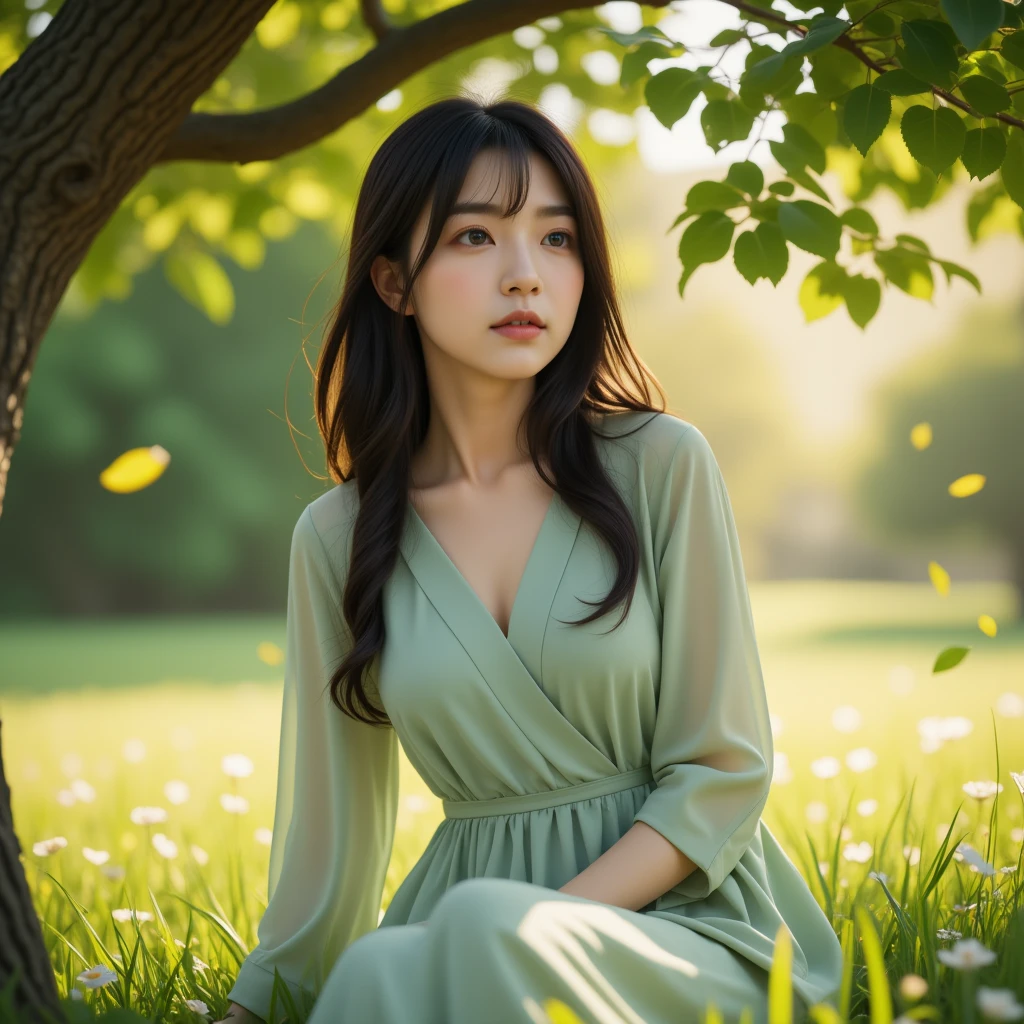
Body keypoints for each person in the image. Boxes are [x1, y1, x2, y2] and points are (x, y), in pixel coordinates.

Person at [215, 96, 844, 1024]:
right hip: (460, 934)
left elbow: (723, 773)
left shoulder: (661, 465)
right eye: (475, 238)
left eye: (557, 241)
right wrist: (255, 1009)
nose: (526, 277)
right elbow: (330, 854)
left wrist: (539, 923)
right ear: (394, 282)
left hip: (689, 931)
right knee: (372, 978)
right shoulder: (338, 539)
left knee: (470, 936)